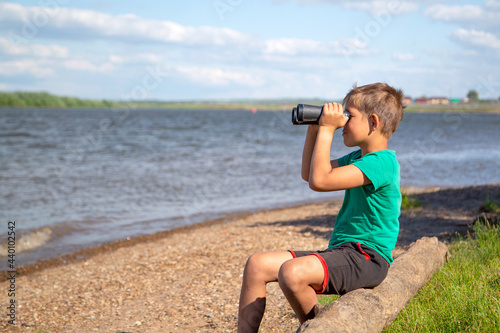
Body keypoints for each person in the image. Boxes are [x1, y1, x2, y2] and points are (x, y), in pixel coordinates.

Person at [237, 82, 405, 332]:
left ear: (373, 122)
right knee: (257, 264)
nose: (342, 123)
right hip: (344, 252)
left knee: (292, 273)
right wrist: (315, 130)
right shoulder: (359, 158)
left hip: (367, 257)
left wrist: (327, 128)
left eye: (349, 116)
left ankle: (320, 328)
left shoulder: (382, 163)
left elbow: (320, 180)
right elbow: (309, 174)